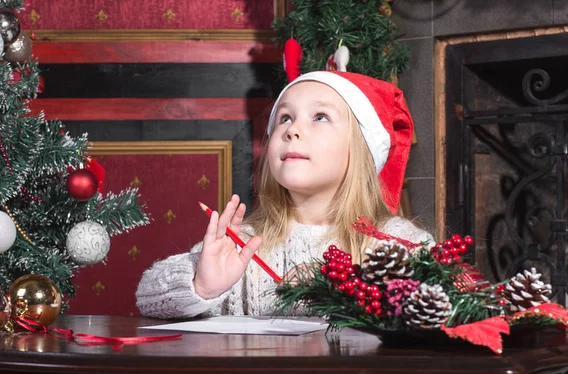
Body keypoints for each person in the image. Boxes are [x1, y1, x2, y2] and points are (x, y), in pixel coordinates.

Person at [136, 71, 433, 319]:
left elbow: (453, 311)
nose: (292, 130)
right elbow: (147, 297)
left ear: (362, 149)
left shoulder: (401, 244)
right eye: (285, 118)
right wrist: (202, 285)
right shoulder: (239, 243)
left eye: (320, 117)